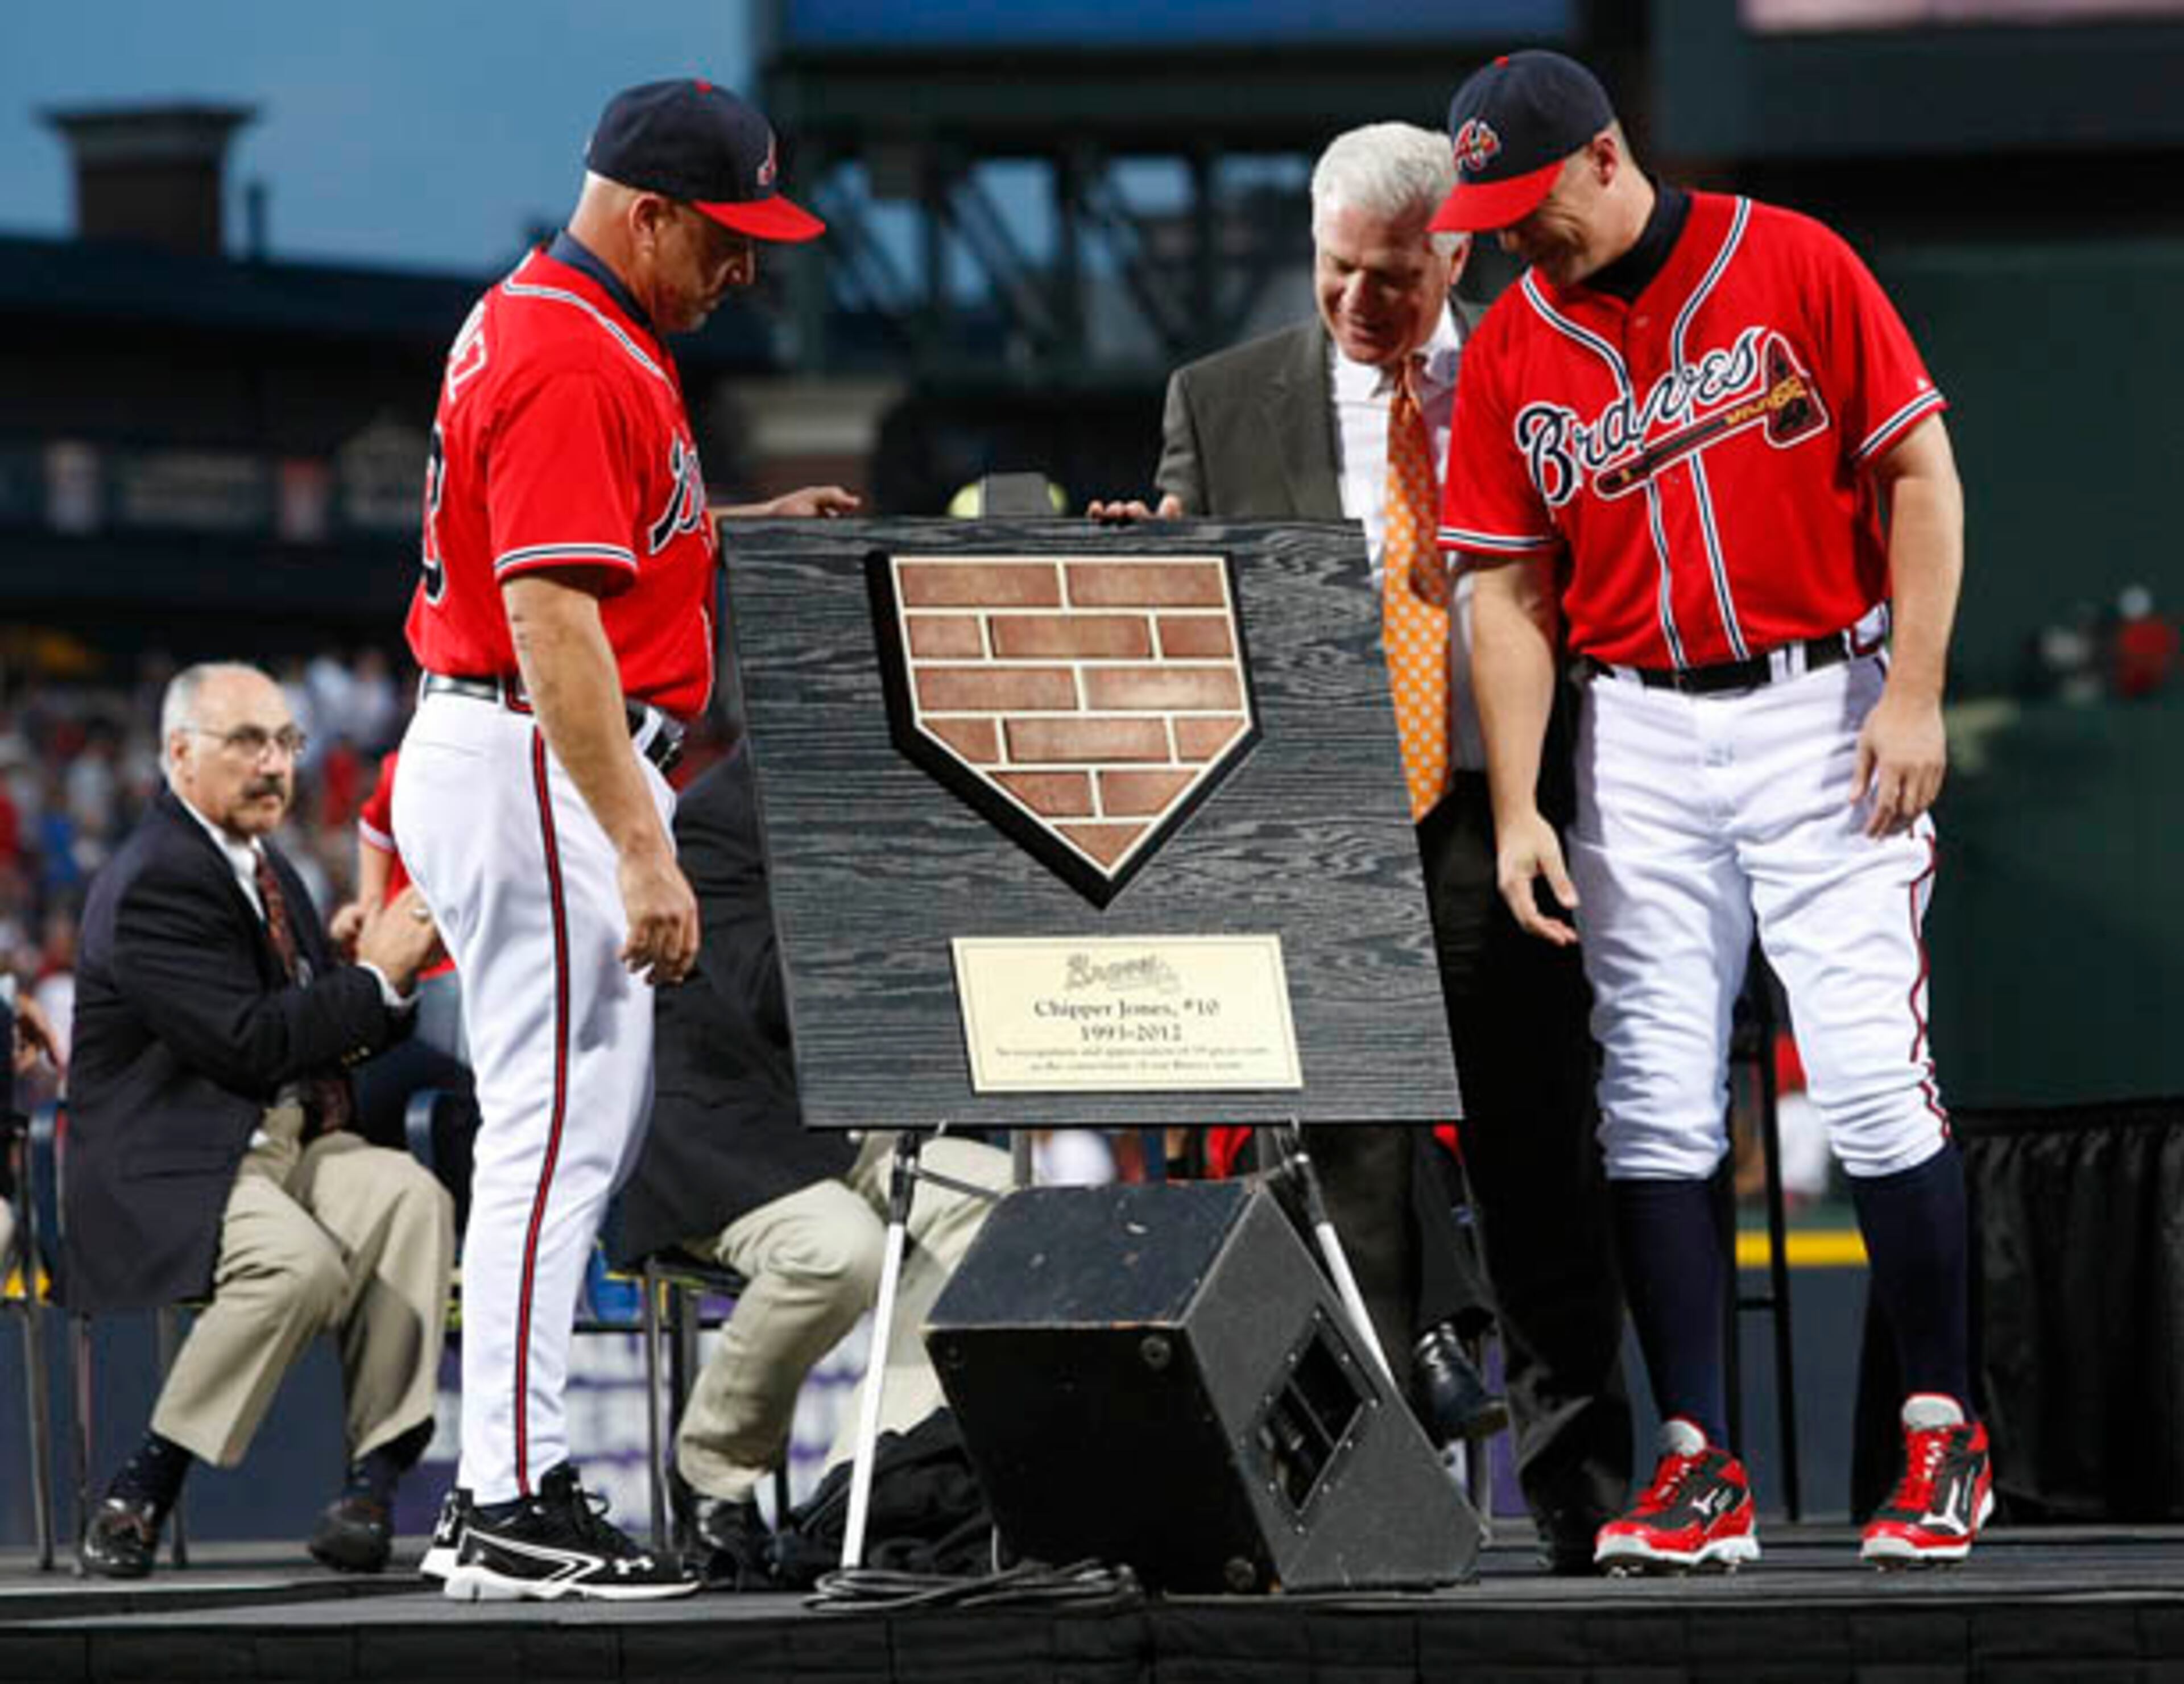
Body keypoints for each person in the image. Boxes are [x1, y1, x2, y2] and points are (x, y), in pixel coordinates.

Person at [1433, 51, 1985, 1572]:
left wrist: (1918, 688)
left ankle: (1945, 1430)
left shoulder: (1790, 256)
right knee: (1655, 1099)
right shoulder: (1507, 348)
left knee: (1872, 1075)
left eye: (1524, 196)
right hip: (1638, 736)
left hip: (1824, 704)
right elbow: (1508, 592)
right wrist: (1524, 803)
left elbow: (1920, 473)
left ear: (1604, 155)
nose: (1508, 232)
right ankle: (1698, 1465)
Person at [1095, 122, 1630, 1567]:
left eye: (1391, 279)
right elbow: (1187, 633)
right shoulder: (1219, 399)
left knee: (1533, 1161)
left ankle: (1581, 1490)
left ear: (1454, 253)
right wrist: (1153, 558)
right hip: (1320, 831)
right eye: (1337, 273)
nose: (1358, 304)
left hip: (1498, 811)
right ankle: (1369, 1501)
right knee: (1353, 1177)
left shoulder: (1535, 374)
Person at [392, 77, 853, 1601]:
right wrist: (641, 848)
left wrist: (733, 523)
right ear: (646, 212)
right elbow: (548, 620)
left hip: (526, 749)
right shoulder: (575, 352)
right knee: (548, 1134)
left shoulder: (568, 320)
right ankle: (505, 1495)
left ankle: (508, 1490)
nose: (745, 268)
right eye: (726, 239)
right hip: (543, 752)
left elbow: (604, 560)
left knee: (562, 1135)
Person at [64, 661, 454, 1579]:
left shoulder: (267, 865)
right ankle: (144, 1485)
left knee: (409, 1196)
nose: (275, 764)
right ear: (178, 756)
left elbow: (321, 1031)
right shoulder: (156, 878)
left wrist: (373, 982)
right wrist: (374, 980)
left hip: (284, 1139)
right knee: (299, 1263)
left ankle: (373, 1481)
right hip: (174, 1156)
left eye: (286, 742)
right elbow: (246, 1044)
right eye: (247, 742)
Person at [610, 741, 1013, 1588]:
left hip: (826, 1130)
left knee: (994, 1194)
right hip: (713, 1137)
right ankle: (710, 1475)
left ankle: (864, 1482)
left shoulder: (887, 806)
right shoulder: (721, 819)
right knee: (840, 1250)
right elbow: (770, 991)